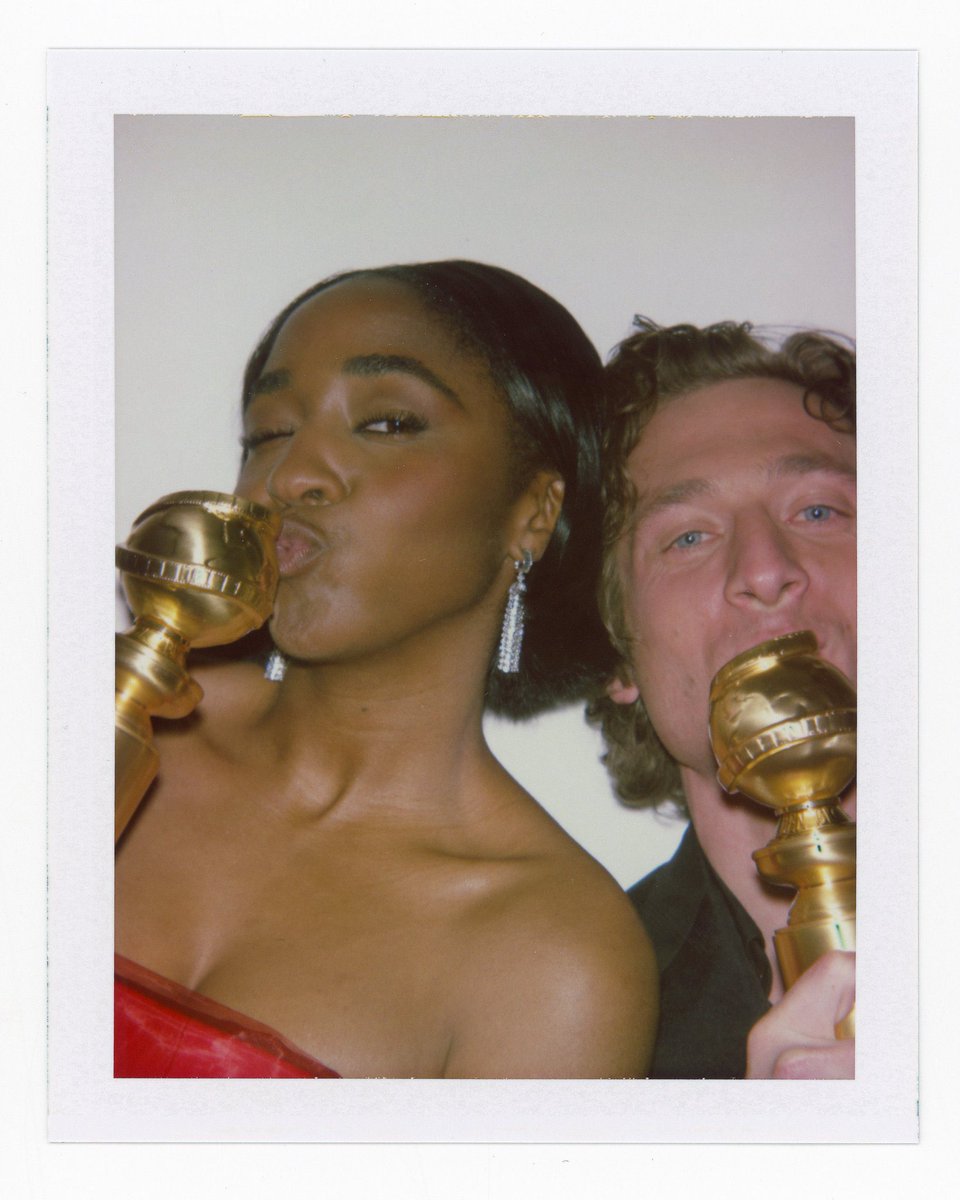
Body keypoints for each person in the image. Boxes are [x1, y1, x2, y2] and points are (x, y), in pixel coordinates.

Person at [114, 260, 658, 1080]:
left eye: (388, 423)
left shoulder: (557, 958)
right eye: (268, 432)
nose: (290, 475)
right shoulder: (99, 721)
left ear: (533, 513)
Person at [589, 317, 856, 1079]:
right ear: (618, 654)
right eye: (688, 538)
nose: (766, 570)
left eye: (818, 511)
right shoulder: (574, 1027)